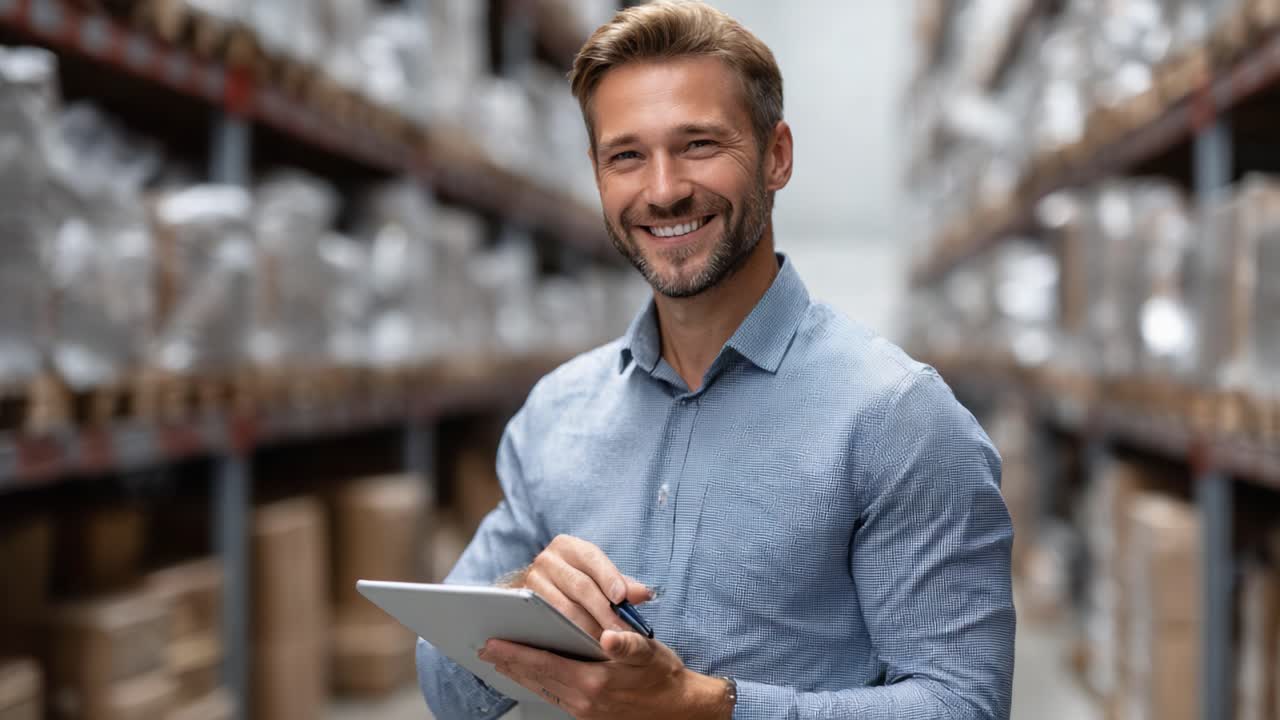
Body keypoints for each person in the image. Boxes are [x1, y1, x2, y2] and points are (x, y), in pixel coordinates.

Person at [416, 2, 1016, 718]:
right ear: (598, 174)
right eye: (627, 156)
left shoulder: (897, 418)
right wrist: (519, 601)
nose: (664, 189)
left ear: (776, 156)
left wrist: (707, 706)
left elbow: (962, 704)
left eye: (699, 144)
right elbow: (442, 681)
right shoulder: (557, 414)